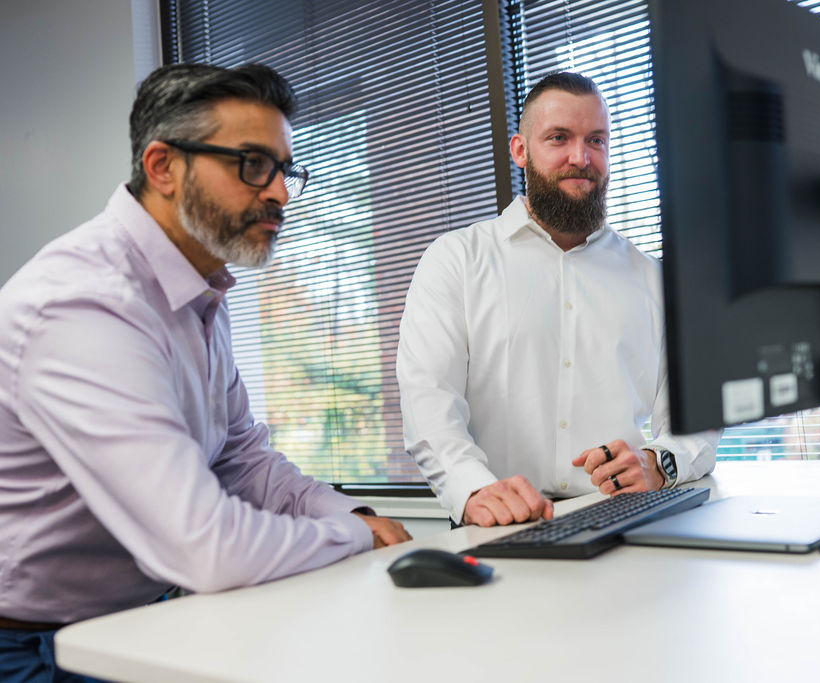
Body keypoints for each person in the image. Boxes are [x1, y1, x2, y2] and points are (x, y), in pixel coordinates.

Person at [0, 63, 410, 681]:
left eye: (283, 170)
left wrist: (348, 516)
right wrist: (355, 541)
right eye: (252, 165)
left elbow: (242, 460)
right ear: (163, 166)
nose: (279, 193)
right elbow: (206, 547)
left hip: (144, 616)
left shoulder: (198, 293)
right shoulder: (84, 302)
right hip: (31, 648)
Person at [397, 72, 720, 527]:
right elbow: (428, 400)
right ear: (520, 150)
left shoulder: (653, 279)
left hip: (625, 520)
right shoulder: (456, 260)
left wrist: (658, 463)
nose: (580, 157)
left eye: (596, 140)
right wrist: (473, 489)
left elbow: (697, 417)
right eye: (558, 138)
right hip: (500, 526)